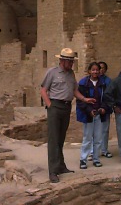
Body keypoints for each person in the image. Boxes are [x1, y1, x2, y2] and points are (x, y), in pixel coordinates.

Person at [40, 48, 94, 183]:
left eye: (72, 61)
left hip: (66, 106)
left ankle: (61, 166)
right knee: (53, 139)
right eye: (69, 61)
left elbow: (74, 90)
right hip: (55, 106)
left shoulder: (71, 74)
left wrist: (84, 99)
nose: (71, 64)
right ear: (62, 60)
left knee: (61, 138)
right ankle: (53, 171)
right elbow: (43, 89)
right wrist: (49, 105)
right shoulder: (52, 73)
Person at [76, 62, 109, 169]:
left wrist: (103, 108)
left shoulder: (103, 83)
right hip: (88, 115)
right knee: (87, 137)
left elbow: (106, 98)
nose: (95, 72)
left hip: (99, 114)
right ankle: (83, 159)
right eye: (93, 70)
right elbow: (81, 101)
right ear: (89, 71)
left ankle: (96, 158)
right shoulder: (83, 84)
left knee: (98, 137)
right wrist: (89, 110)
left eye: (97, 70)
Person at [87, 61, 113, 161]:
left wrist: (107, 106)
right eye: (99, 68)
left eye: (102, 68)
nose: (100, 70)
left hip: (105, 109)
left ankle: (104, 150)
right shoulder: (91, 80)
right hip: (94, 108)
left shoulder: (108, 81)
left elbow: (109, 95)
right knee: (93, 131)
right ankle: (93, 151)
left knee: (105, 130)